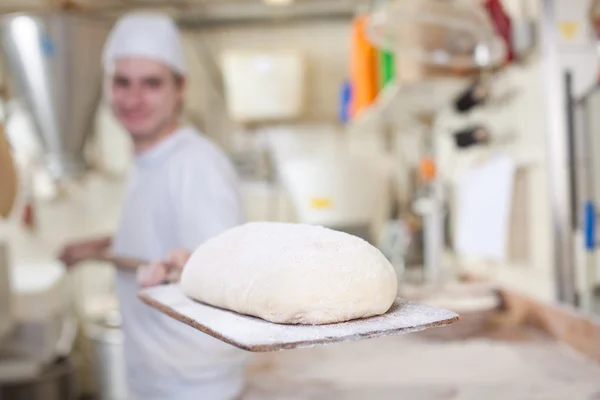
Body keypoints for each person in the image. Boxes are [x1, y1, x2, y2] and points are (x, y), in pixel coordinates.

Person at [58, 13, 250, 400]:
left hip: (195, 385)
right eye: (121, 82)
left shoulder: (197, 165)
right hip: (160, 378)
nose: (132, 99)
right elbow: (157, 239)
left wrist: (181, 266)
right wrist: (97, 249)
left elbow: (222, 268)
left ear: (180, 88)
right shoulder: (152, 160)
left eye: (151, 84)